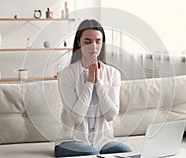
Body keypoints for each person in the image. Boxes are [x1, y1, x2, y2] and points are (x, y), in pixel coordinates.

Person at [54, 19, 132, 157]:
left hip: (103, 141)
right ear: (79, 43)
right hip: (70, 140)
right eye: (87, 42)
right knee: (91, 153)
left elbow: (111, 115)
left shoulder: (113, 73)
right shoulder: (67, 74)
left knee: (125, 152)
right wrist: (90, 82)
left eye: (98, 41)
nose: (94, 47)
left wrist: (99, 83)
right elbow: (77, 118)